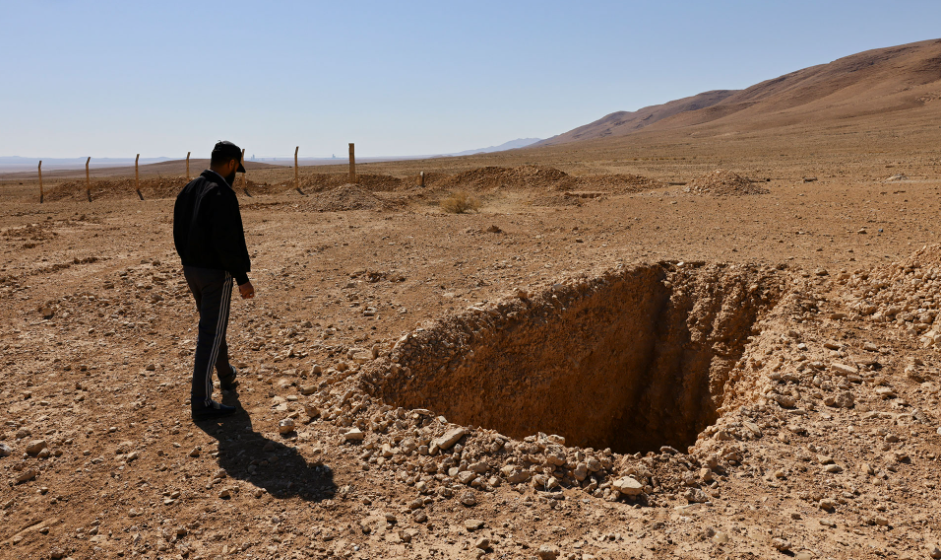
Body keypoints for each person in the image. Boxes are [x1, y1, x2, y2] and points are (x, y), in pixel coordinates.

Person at [173, 141, 255, 421]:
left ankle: (226, 374)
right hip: (214, 274)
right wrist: (242, 278)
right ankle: (202, 402)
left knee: (213, 324)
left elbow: (178, 230)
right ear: (232, 164)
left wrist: (188, 262)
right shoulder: (222, 193)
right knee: (211, 332)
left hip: (191, 270)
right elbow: (226, 242)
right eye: (237, 167)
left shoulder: (190, 188)